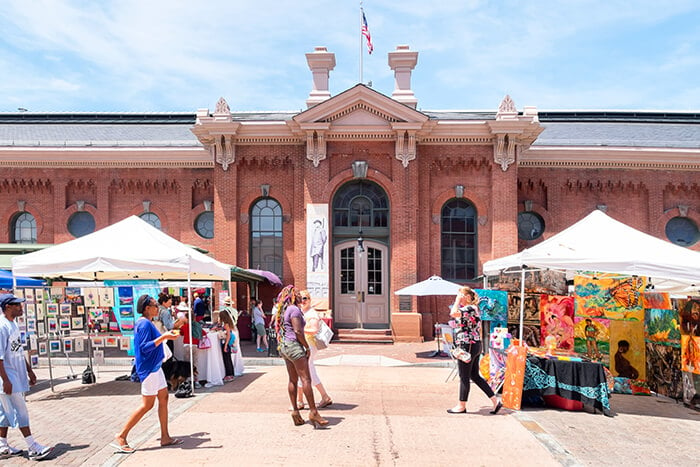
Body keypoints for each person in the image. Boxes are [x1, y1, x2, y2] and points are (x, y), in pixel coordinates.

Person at [113, 294, 182, 453]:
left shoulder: (146, 323)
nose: (157, 307)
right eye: (154, 305)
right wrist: (164, 336)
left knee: (163, 398)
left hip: (154, 368)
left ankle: (165, 436)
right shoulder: (144, 324)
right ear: (147, 308)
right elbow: (144, 347)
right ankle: (122, 435)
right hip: (150, 368)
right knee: (147, 404)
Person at [0, 294, 52, 461]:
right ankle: (32, 447)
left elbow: (17, 350)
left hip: (15, 374)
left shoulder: (13, 324)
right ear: (8, 307)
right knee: (20, 410)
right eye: (17, 305)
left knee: (4, 413)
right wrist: (6, 380)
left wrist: (29, 370)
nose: (21, 308)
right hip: (8, 377)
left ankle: (2, 445)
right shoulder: (2, 327)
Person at [273, 285, 329, 429]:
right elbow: (298, 331)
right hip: (294, 345)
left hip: (284, 346)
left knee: (292, 379)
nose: (299, 295)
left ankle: (296, 412)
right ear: (292, 295)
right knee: (306, 379)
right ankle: (314, 412)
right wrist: (306, 346)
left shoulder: (284, 309)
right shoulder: (294, 309)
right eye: (297, 293)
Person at [447, 286, 501, 415]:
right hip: (473, 344)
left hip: (467, 345)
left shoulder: (469, 308)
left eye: (460, 295)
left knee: (464, 376)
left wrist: (456, 301)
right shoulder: (472, 309)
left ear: (467, 297)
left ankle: (461, 405)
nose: (458, 298)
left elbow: (453, 313)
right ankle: (495, 401)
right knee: (474, 376)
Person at [295, 290, 332, 409]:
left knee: (304, 371)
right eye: (300, 298)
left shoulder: (311, 314)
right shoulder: (302, 312)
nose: (303, 301)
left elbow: (314, 330)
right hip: (304, 343)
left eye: (305, 298)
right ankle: (303, 399)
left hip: (309, 344)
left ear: (310, 300)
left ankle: (302, 400)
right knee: (305, 371)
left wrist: (300, 330)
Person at [218, 302, 236, 383]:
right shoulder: (228, 323)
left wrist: (225, 345)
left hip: (226, 343)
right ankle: (231, 373)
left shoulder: (226, 324)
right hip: (228, 343)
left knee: (227, 359)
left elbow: (228, 335)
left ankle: (229, 374)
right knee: (228, 358)